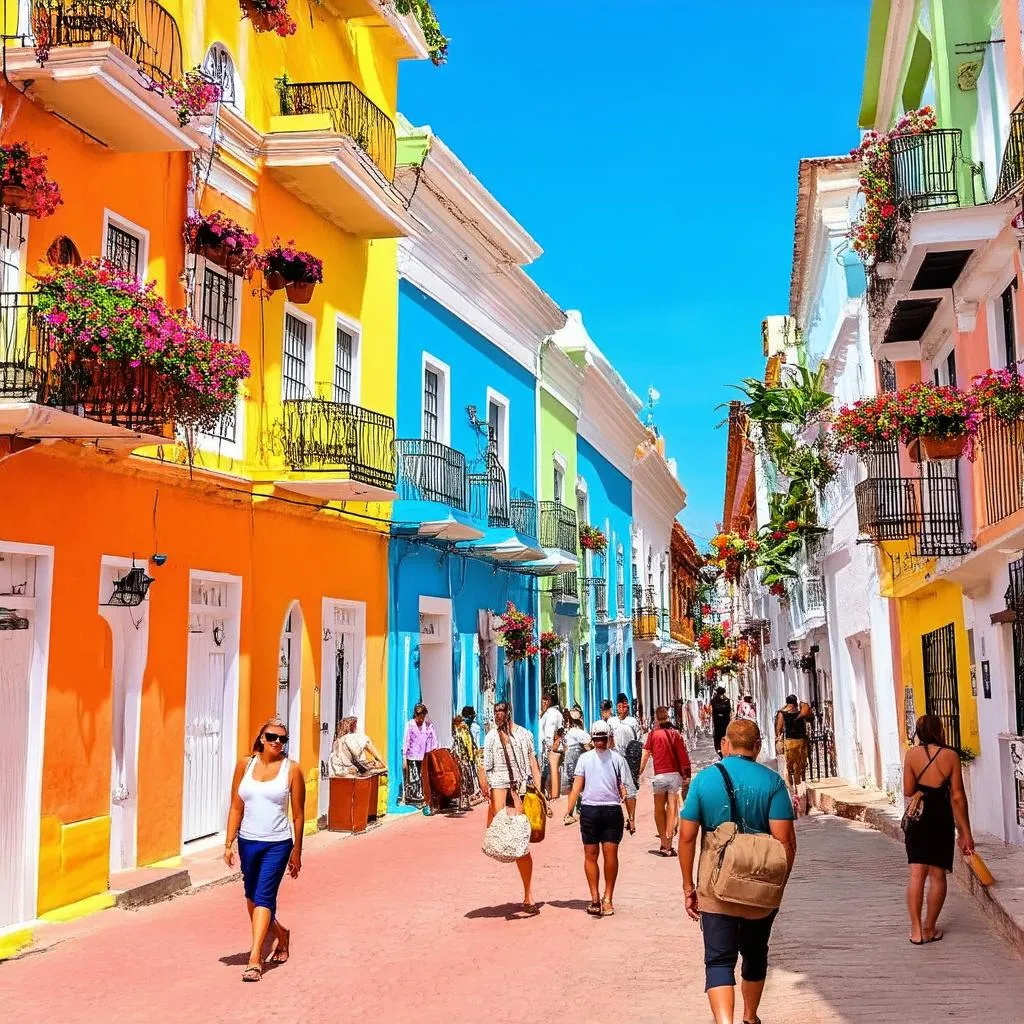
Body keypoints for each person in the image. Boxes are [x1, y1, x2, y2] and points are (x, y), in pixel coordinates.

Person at [679, 720, 797, 1024]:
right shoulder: (772, 783)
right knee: (756, 955)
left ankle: (725, 1022)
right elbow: (786, 843)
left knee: (718, 960)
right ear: (757, 747)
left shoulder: (704, 781)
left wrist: (688, 886)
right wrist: (777, 887)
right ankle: (750, 1016)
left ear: (724, 744)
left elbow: (688, 837)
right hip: (760, 886)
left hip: (715, 884)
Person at [224, 717, 306, 983]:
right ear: (261, 738)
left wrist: (297, 851)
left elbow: (298, 815)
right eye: (272, 737)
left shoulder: (291, 770)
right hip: (248, 841)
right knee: (251, 895)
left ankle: (255, 958)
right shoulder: (244, 765)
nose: (277, 743)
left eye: (283, 739)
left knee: (264, 895)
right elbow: (236, 806)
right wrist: (228, 843)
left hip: (278, 843)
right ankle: (281, 935)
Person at [904, 715, 975, 945]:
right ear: (939, 730)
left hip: (919, 815)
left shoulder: (911, 755)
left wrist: (919, 791)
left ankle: (916, 931)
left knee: (917, 874)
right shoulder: (951, 756)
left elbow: (907, 789)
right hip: (940, 817)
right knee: (937, 875)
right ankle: (930, 927)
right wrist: (966, 832)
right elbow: (957, 796)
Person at [563, 719, 637, 916]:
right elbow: (629, 791)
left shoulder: (585, 759)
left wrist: (568, 810)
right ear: (609, 737)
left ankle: (595, 899)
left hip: (590, 811)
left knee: (590, 856)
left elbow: (577, 785)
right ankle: (608, 899)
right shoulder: (618, 760)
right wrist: (631, 817)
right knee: (610, 856)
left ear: (594, 738)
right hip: (612, 811)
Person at [482, 700, 544, 912]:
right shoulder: (490, 736)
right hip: (499, 789)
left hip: (521, 790)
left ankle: (528, 894)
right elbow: (485, 767)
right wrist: (488, 794)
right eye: (495, 711)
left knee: (521, 844)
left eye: (501, 711)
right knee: (499, 834)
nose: (498, 714)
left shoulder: (525, 735)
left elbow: (533, 763)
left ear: (509, 712)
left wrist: (539, 791)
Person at [639, 706, 692, 856]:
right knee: (672, 809)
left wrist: (639, 771)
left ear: (656, 718)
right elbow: (683, 756)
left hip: (660, 777)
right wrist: (687, 774)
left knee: (659, 809)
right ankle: (670, 842)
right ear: (668, 717)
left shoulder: (653, 735)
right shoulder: (675, 734)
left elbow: (645, 754)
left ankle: (664, 843)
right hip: (674, 777)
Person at [402, 703, 437, 809]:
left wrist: (432, 752)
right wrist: (404, 757)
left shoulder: (428, 726)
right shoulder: (410, 725)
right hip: (412, 756)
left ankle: (423, 797)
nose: (420, 719)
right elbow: (406, 740)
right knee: (414, 778)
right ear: (415, 715)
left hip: (424, 756)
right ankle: (414, 799)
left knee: (423, 777)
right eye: (419, 717)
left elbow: (433, 740)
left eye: (422, 717)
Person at [562, 709, 592, 824]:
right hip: (575, 760)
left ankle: (572, 812)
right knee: (578, 785)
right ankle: (571, 813)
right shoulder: (577, 731)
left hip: (569, 761)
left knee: (572, 787)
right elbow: (589, 740)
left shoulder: (568, 732)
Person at [775, 695, 811, 788]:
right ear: (795, 702)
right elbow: (809, 717)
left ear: (787, 702)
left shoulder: (783, 713)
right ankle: (800, 786)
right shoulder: (800, 712)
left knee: (789, 766)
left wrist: (779, 738)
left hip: (790, 742)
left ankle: (792, 789)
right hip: (801, 741)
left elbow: (779, 728)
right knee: (801, 765)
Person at [609, 692, 643, 788]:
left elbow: (638, 739)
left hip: (631, 757)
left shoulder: (633, 721)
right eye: (620, 706)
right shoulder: (612, 721)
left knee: (631, 783)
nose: (623, 709)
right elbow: (610, 739)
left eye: (625, 706)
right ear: (617, 707)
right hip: (616, 755)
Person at [451, 715, 480, 812]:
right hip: (464, 761)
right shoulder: (461, 733)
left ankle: (464, 802)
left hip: (464, 761)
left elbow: (465, 746)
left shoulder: (462, 732)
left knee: (465, 782)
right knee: (464, 782)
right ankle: (464, 803)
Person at [539, 690, 564, 799]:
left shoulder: (552, 714)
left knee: (551, 773)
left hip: (551, 748)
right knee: (549, 773)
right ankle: (551, 796)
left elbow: (555, 731)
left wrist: (552, 747)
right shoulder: (552, 713)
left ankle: (553, 797)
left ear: (549, 701)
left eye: (545, 700)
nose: (543, 702)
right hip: (550, 748)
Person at [711, 687, 732, 758]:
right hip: (724, 721)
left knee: (718, 736)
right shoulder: (726, 700)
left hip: (718, 722)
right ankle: (723, 750)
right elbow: (727, 709)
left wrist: (719, 712)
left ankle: (720, 750)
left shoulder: (714, 700)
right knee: (724, 735)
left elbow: (717, 708)